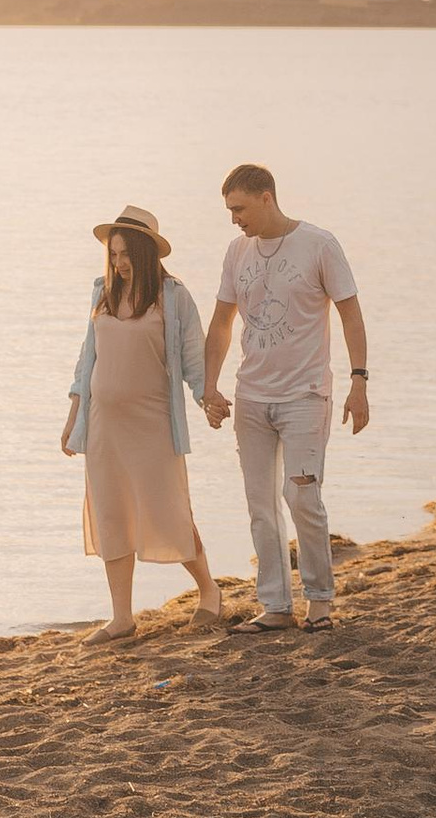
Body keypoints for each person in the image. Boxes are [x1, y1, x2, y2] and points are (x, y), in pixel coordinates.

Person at [202, 163, 369, 632]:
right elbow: (220, 324)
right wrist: (209, 387)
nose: (234, 218)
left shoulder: (319, 244)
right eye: (229, 210)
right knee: (260, 505)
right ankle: (276, 606)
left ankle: (319, 600)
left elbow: (350, 314)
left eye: (239, 208)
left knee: (302, 497)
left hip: (305, 395)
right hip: (251, 398)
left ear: (266, 198)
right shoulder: (237, 252)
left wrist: (359, 381)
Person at [62, 206, 223, 643]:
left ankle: (209, 592)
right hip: (103, 425)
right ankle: (121, 618)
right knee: (111, 515)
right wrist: (74, 413)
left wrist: (207, 396)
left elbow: (193, 358)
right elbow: (86, 360)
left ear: (147, 252)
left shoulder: (173, 297)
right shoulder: (102, 294)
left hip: (152, 424)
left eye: (126, 253)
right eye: (113, 254)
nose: (119, 262)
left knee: (169, 509)